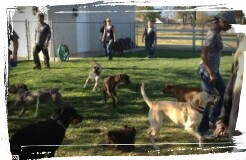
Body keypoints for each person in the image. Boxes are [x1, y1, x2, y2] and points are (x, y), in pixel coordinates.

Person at [197, 12, 237, 138]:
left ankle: (213, 119)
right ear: (222, 21)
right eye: (229, 24)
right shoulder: (213, 34)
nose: (229, 27)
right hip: (208, 72)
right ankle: (202, 130)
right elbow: (203, 55)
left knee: (225, 93)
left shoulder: (217, 32)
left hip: (214, 71)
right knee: (206, 101)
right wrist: (211, 73)